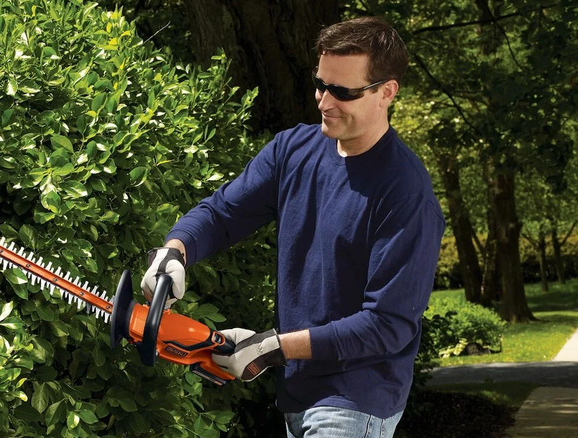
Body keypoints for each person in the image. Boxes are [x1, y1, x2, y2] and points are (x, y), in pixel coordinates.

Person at [141, 16, 445, 438]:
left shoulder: (406, 192)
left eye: (343, 92)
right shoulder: (293, 150)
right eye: (320, 85)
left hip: (356, 400)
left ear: (386, 92)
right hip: (297, 395)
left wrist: (274, 347)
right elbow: (223, 213)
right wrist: (175, 251)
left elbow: (388, 325)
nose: (324, 102)